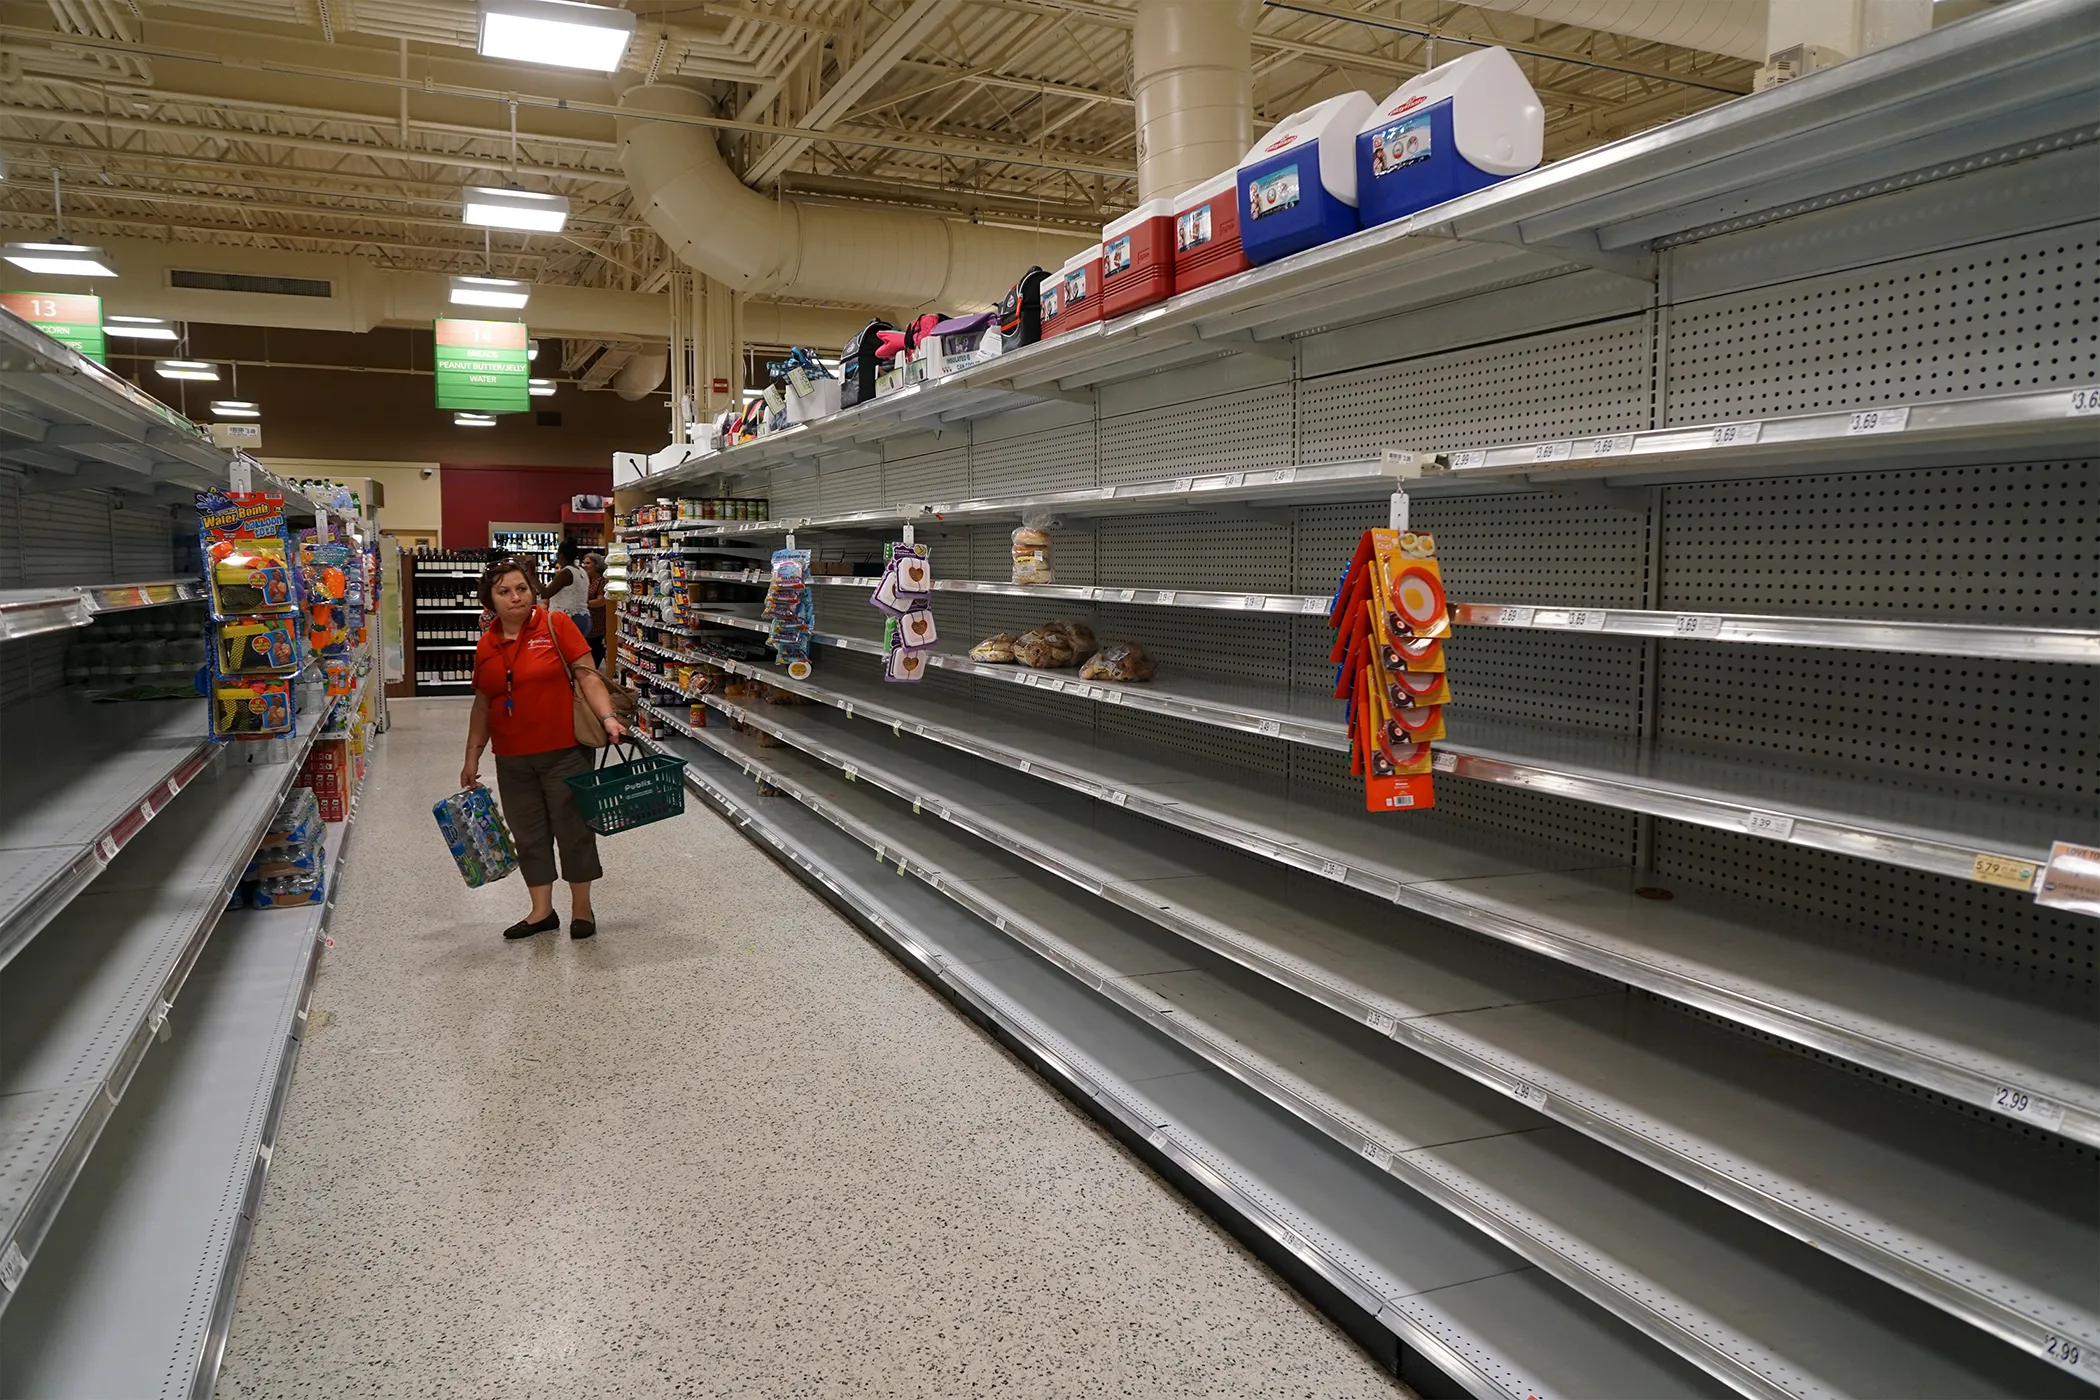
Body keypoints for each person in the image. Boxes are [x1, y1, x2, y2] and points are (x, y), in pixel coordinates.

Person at [460, 559, 626, 941]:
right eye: (504, 592)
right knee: (528, 834)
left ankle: (581, 910)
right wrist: (472, 756)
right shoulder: (487, 643)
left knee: (574, 830)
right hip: (512, 758)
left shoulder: (555, 625)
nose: (515, 597)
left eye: (521, 588)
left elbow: (587, 676)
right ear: (490, 601)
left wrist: (607, 718)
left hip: (565, 752)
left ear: (532, 590)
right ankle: (541, 911)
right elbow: (483, 704)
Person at [541, 540, 590, 639]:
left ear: (561, 555)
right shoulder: (581, 571)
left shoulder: (566, 572)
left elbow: (545, 593)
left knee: (562, 653)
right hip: (584, 618)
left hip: (568, 619)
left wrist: (532, 576)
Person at [581, 552, 608, 666]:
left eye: (588, 563)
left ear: (597, 565)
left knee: (595, 652)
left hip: (597, 624)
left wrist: (582, 604)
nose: (584, 565)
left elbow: (601, 601)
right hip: (585, 623)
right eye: (584, 563)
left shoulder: (602, 581)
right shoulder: (584, 580)